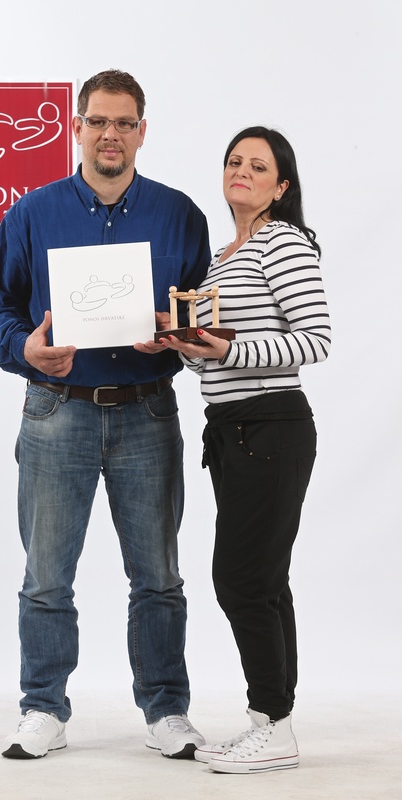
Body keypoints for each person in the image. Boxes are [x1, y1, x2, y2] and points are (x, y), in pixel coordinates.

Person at [0, 69, 210, 760]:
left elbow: (200, 310)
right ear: (76, 127)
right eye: (98, 121)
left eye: (124, 123)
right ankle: (42, 707)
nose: (111, 134)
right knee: (47, 576)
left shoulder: (179, 215)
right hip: (57, 413)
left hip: (147, 414)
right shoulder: (31, 213)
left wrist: (176, 335)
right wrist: (23, 347)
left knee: (158, 577)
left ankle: (166, 710)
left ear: (142, 131)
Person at [154, 126, 331, 774]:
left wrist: (226, 348)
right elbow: (215, 361)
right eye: (234, 161)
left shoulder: (282, 241)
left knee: (240, 579)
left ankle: (274, 726)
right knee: (264, 580)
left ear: (280, 186)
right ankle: (270, 722)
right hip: (230, 430)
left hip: (271, 427)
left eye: (258, 166)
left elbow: (314, 340)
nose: (242, 172)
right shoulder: (221, 258)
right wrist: (185, 346)